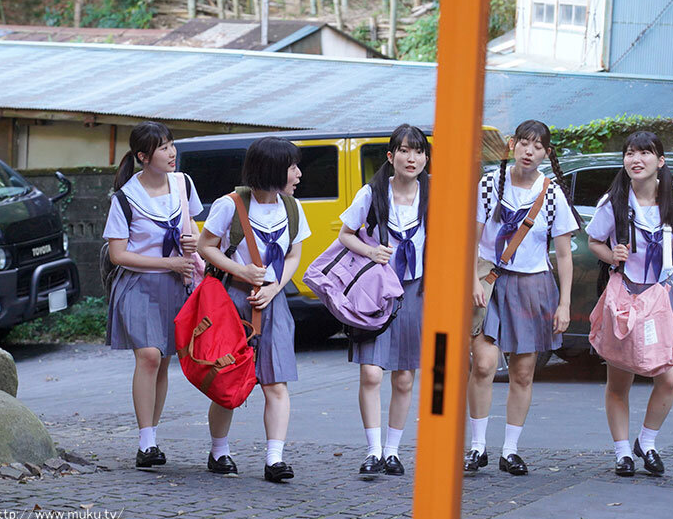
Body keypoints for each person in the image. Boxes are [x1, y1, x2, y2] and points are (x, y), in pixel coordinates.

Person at [467, 120, 581, 476]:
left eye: (538, 146)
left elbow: (564, 254)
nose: (529, 151)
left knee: (522, 372)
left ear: (546, 153)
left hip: (533, 286)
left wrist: (564, 303)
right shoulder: (490, 185)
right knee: (483, 364)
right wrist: (471, 279)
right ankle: (477, 447)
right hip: (490, 282)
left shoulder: (552, 193)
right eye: (524, 143)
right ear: (512, 144)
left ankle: (510, 450)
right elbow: (471, 238)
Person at [198, 136, 311, 482]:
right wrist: (242, 271)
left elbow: (294, 254)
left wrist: (275, 288)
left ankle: (275, 460)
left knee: (276, 382)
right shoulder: (230, 204)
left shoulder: (292, 207)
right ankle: (219, 452)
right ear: (271, 169)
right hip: (233, 301)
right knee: (227, 381)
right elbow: (205, 246)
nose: (299, 174)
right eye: (292, 167)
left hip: (273, 303)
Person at [586, 131, 673, 477]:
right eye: (630, 153)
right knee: (620, 378)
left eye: (645, 153)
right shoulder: (614, 201)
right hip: (626, 294)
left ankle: (646, 442)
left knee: (669, 376)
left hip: (662, 294)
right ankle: (622, 452)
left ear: (660, 161)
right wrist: (612, 254)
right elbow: (593, 241)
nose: (636, 159)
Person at [103, 121, 202, 468]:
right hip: (138, 284)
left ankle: (152, 437)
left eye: (172, 144)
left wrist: (193, 242)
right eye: (163, 148)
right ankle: (145, 443)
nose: (172, 152)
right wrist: (168, 263)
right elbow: (118, 255)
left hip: (176, 284)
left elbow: (194, 230)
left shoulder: (183, 183)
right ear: (143, 157)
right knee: (148, 356)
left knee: (163, 360)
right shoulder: (125, 198)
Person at [338, 124, 430, 478]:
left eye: (418, 151)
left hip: (416, 290)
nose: (412, 158)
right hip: (377, 292)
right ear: (391, 156)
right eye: (404, 151)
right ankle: (373, 450)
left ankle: (392, 451)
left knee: (404, 377)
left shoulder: (433, 193)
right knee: (372, 373)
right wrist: (371, 251)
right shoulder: (373, 192)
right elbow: (346, 234)